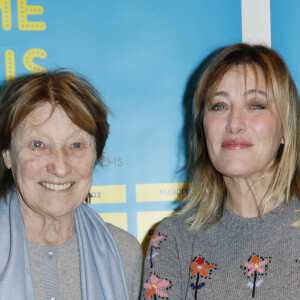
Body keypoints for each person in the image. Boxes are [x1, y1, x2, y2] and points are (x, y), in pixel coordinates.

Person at [141, 43, 300, 299]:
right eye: (219, 106)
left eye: (256, 105)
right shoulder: (174, 240)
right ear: (203, 128)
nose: (234, 123)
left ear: (285, 128)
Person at [0, 70, 142, 300]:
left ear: (96, 154)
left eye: (76, 145)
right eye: (38, 144)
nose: (60, 167)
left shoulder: (124, 253)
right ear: (7, 155)